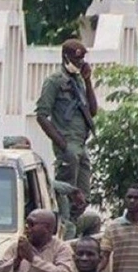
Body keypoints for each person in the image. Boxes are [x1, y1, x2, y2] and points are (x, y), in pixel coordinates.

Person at [35, 38, 98, 196]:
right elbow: (41, 116)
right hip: (67, 143)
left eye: (82, 59)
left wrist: (88, 81)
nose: (80, 63)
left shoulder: (79, 80)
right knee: (66, 193)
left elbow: (93, 111)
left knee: (84, 195)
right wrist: (62, 144)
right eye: (77, 60)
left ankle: (74, 220)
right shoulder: (54, 81)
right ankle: (64, 219)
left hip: (81, 144)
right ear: (65, 57)